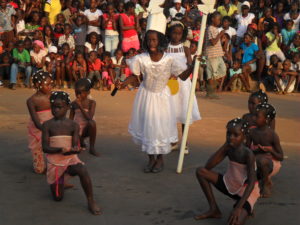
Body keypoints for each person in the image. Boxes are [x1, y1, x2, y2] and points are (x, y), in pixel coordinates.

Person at [117, 25, 195, 173]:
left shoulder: (169, 59)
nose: (151, 43)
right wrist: (122, 84)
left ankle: (160, 159)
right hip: (146, 96)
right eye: (149, 40)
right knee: (148, 127)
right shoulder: (141, 58)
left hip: (163, 98)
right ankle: (150, 159)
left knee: (160, 128)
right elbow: (135, 76)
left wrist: (192, 66)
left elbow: (183, 76)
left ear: (160, 42)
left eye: (154, 40)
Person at [42, 91, 101, 215]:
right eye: (53, 107)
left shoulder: (73, 125)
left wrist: (75, 149)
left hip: (69, 160)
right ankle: (61, 179)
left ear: (68, 107)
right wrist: (60, 150)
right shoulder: (47, 125)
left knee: (82, 169)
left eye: (59, 107)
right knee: (58, 198)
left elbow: (75, 145)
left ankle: (91, 201)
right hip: (55, 163)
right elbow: (45, 148)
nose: (56, 110)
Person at [194, 118, 259, 225]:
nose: (231, 137)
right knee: (201, 171)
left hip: (246, 191)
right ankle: (214, 209)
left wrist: (238, 207)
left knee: (234, 222)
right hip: (230, 183)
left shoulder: (248, 154)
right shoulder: (228, 147)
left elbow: (251, 183)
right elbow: (208, 166)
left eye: (235, 135)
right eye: (228, 134)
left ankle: (246, 207)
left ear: (244, 137)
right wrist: (225, 146)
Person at [166, 21, 201, 153]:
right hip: (169, 83)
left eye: (179, 33)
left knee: (183, 112)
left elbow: (190, 66)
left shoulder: (185, 49)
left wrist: (196, 62)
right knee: (171, 112)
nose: (176, 36)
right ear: (169, 33)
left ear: (183, 34)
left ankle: (185, 143)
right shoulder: (165, 48)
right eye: (174, 33)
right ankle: (173, 141)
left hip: (183, 84)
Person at [247, 103, 283, 198]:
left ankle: (266, 183)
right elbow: (246, 150)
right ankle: (258, 180)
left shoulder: (272, 135)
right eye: (254, 115)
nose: (253, 118)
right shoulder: (251, 132)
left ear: (266, 120)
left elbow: (281, 156)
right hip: (255, 160)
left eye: (257, 116)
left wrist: (270, 150)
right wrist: (255, 151)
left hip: (269, 163)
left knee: (262, 161)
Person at [27, 71, 53, 174]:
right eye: (47, 84)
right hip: (38, 128)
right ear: (38, 85)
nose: (50, 87)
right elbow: (35, 120)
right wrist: (46, 130)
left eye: (51, 84)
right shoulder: (31, 100)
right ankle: (40, 164)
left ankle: (53, 165)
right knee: (39, 169)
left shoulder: (53, 96)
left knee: (54, 148)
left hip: (51, 126)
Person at [69, 78, 98, 156]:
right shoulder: (73, 104)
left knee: (92, 123)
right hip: (77, 130)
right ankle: (81, 142)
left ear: (88, 92)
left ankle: (92, 148)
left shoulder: (92, 103)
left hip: (87, 129)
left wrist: (80, 106)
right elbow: (70, 120)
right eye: (76, 93)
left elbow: (89, 118)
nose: (78, 95)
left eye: (80, 93)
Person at [204, 11, 226, 98]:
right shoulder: (210, 28)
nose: (219, 21)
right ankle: (211, 93)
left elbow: (215, 42)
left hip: (217, 54)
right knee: (212, 73)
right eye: (218, 19)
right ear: (213, 19)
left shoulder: (215, 29)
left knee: (222, 70)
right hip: (212, 54)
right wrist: (220, 35)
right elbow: (213, 42)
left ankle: (209, 91)